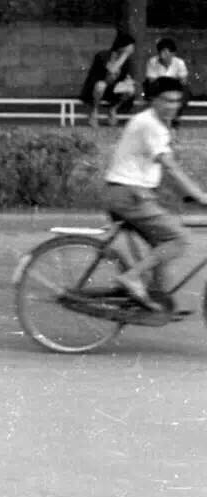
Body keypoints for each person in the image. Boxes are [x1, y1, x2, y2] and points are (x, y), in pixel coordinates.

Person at [105, 76, 207, 313]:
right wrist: (200, 196)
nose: (172, 106)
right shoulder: (152, 125)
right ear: (153, 100)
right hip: (129, 194)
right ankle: (131, 278)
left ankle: (156, 300)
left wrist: (187, 196)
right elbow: (169, 166)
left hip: (128, 192)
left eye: (177, 101)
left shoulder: (150, 122)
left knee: (163, 244)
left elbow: (161, 171)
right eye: (166, 100)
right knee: (179, 239)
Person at [80, 32, 137, 128]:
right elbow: (112, 71)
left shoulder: (127, 61)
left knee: (131, 90)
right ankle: (94, 111)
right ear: (122, 46)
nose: (132, 48)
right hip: (95, 88)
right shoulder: (103, 55)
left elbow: (128, 77)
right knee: (100, 85)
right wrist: (124, 55)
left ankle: (113, 109)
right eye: (130, 46)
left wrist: (128, 82)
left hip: (113, 90)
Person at [144, 37, 189, 128]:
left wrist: (168, 82)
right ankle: (158, 118)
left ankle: (175, 119)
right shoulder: (152, 61)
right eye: (160, 52)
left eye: (165, 52)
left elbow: (183, 81)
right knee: (150, 87)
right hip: (159, 88)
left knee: (185, 92)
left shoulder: (179, 63)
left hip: (175, 89)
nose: (162, 55)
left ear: (173, 53)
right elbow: (151, 80)